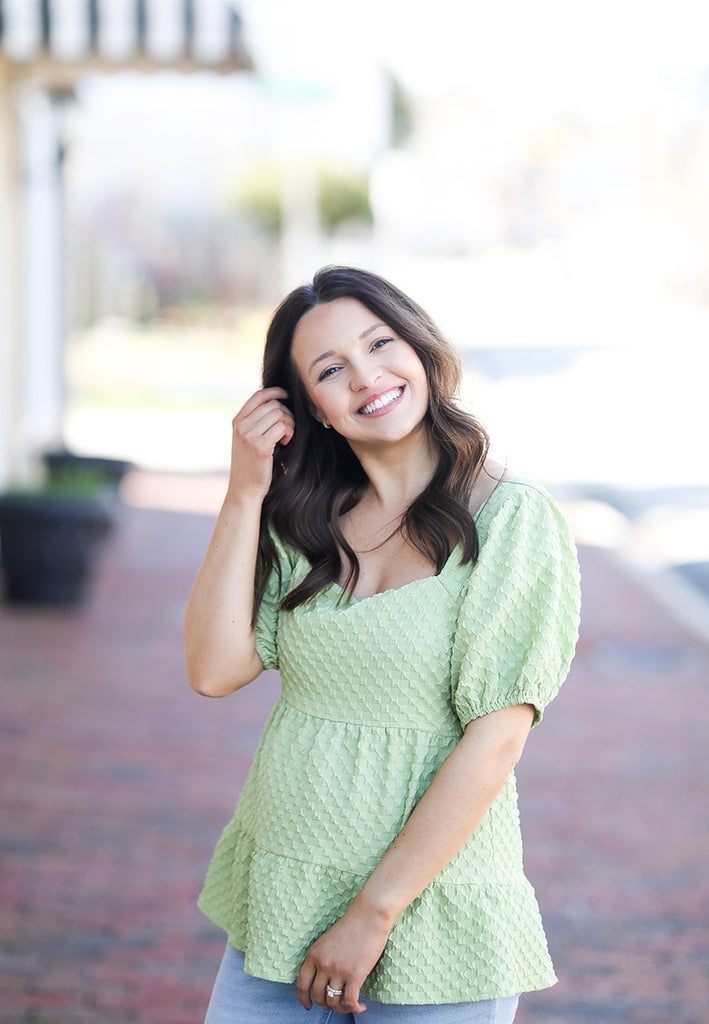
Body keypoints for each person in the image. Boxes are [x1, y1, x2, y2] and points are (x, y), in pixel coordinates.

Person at [184, 266, 581, 1023]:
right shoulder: (302, 520)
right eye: (330, 370)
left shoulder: (512, 519)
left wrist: (372, 914)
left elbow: (495, 742)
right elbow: (212, 668)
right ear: (310, 410)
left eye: (380, 344)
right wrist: (244, 491)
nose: (367, 377)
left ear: (421, 349)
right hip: (281, 902)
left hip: (431, 916)